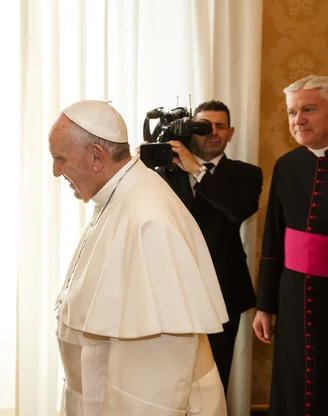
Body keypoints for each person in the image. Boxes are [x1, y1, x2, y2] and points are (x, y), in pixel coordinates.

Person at [50, 100, 229, 415]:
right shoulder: (119, 196)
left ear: (96, 156)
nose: (56, 171)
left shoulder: (149, 220)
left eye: (60, 159)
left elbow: (155, 383)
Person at [151, 100, 262, 392]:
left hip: (224, 289)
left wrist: (198, 170)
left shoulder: (245, 173)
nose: (212, 132)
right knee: (170, 378)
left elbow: (238, 210)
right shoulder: (166, 172)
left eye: (220, 126)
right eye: (203, 126)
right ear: (190, 131)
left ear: (231, 132)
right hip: (171, 288)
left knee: (214, 378)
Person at [253, 74, 328, 416]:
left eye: (309, 109)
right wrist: (265, 305)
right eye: (292, 112)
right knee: (295, 381)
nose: (298, 120)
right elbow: (273, 241)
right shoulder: (287, 165)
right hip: (294, 295)